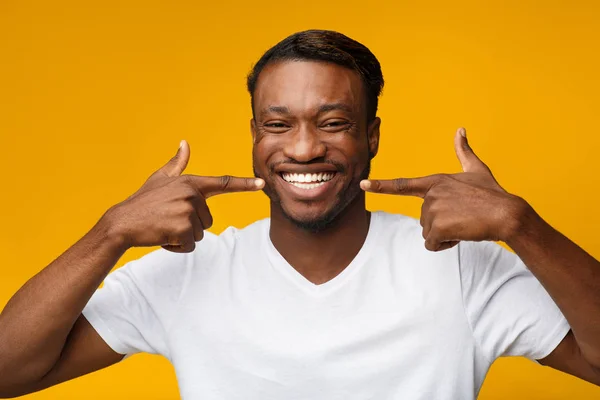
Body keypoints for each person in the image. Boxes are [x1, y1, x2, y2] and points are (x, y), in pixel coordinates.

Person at [0, 29, 598, 400]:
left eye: (333, 123)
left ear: (372, 136)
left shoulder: (462, 269)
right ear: (255, 135)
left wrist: (523, 225)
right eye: (278, 124)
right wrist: (111, 232)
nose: (305, 148)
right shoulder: (188, 270)